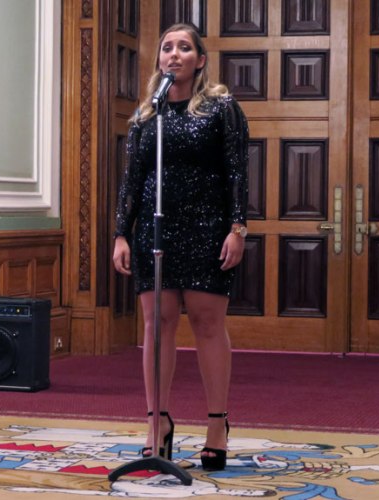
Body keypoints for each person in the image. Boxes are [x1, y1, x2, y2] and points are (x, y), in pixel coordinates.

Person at [113, 23, 249, 471]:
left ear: (200, 60)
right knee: (157, 324)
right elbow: (133, 180)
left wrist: (237, 227)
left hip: (207, 226)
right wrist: (121, 233)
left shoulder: (221, 108)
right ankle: (158, 423)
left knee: (207, 324)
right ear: (159, 59)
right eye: (167, 47)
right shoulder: (146, 116)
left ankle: (217, 424)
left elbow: (236, 171)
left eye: (184, 48)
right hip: (155, 232)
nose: (174, 54)